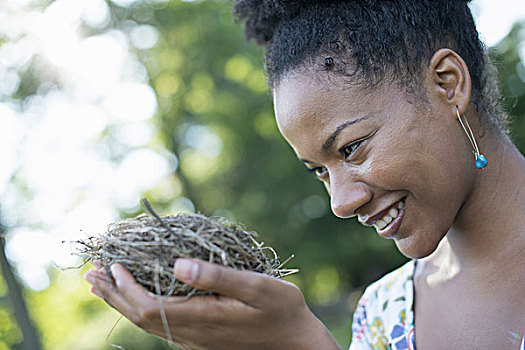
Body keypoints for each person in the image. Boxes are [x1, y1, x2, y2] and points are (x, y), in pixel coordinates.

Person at [85, 1, 525, 349]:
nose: (340, 202)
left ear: (448, 84)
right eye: (319, 171)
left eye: (351, 149)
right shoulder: (382, 315)